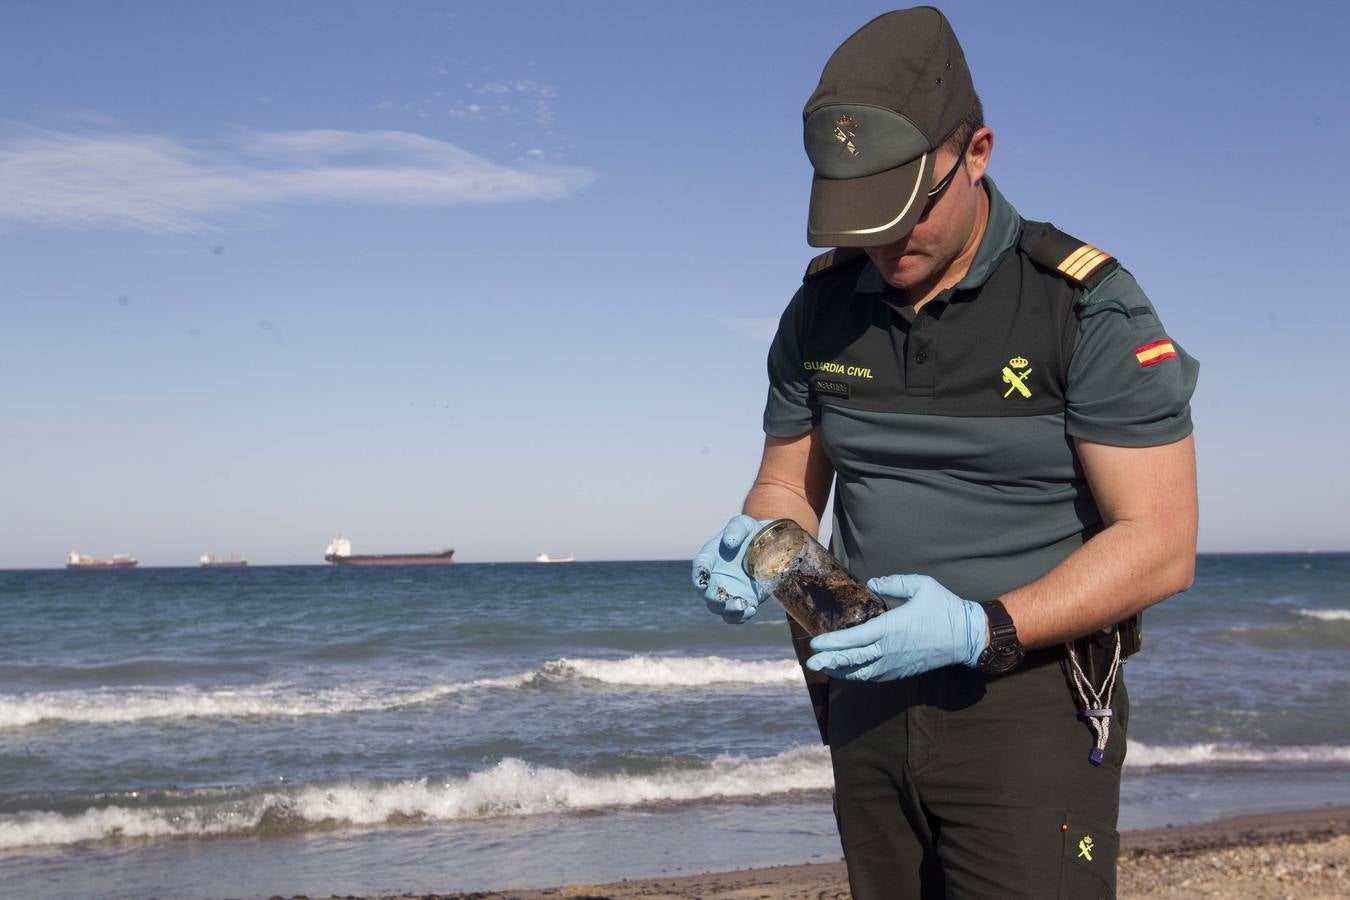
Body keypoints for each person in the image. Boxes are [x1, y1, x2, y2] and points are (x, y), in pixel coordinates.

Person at [691, 7, 1199, 899]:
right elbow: (788, 483)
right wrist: (758, 543)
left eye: (907, 209)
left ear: (978, 152)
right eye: (861, 218)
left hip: (1030, 703)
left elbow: (1159, 542)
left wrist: (981, 628)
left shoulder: (1084, 307)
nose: (885, 243)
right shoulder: (821, 309)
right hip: (863, 688)